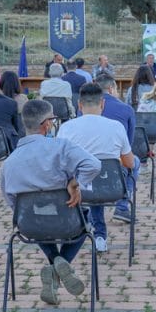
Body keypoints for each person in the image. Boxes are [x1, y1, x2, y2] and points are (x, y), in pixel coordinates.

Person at [1, 99, 100, 305]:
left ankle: (54, 264)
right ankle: (59, 265)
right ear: (47, 124)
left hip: (30, 226)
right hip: (67, 221)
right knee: (86, 219)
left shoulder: (10, 161)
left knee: (37, 219)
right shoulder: (61, 146)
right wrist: (75, 182)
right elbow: (93, 164)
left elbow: (13, 203)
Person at [57, 83, 134, 253]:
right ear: (102, 103)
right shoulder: (116, 127)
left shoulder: (66, 128)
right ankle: (102, 232)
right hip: (112, 188)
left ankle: (81, 229)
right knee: (102, 174)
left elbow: (60, 163)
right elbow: (129, 164)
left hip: (77, 188)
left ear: (79, 104)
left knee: (88, 175)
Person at [94, 73, 137, 224]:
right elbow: (129, 142)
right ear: (111, 89)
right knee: (134, 162)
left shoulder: (85, 109)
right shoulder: (126, 109)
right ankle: (122, 206)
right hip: (116, 160)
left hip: (89, 160)